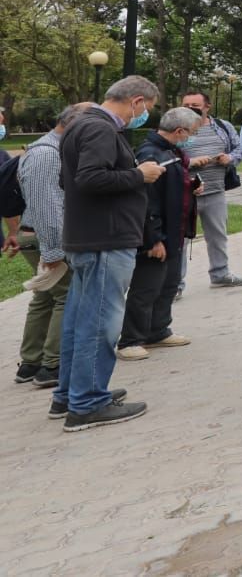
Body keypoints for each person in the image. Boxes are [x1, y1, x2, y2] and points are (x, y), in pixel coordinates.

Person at [50, 76, 164, 430]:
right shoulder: (100, 129)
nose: (144, 115)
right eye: (146, 108)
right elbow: (89, 179)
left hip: (90, 239)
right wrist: (138, 175)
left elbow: (68, 180)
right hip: (105, 241)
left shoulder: (80, 125)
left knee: (80, 322)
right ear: (136, 101)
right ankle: (87, 404)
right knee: (100, 324)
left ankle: (71, 394)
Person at [6, 103, 93, 388]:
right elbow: (47, 207)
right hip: (45, 236)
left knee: (45, 297)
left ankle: (31, 362)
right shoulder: (47, 154)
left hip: (39, 235)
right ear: (73, 126)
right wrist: (54, 251)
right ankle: (52, 365)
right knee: (64, 296)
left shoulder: (51, 150)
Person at [117, 108, 204, 359]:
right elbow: (147, 200)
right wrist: (152, 238)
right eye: (192, 133)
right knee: (146, 288)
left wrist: (192, 185)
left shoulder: (171, 152)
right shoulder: (151, 154)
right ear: (179, 131)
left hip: (175, 232)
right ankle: (130, 339)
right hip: (157, 235)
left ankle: (158, 330)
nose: (193, 137)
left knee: (168, 284)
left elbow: (173, 186)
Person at [178, 90, 242, 291]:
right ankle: (175, 285)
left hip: (216, 190)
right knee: (180, 241)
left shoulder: (222, 127)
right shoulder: (176, 129)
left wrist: (230, 159)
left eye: (195, 105)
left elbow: (238, 149)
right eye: (186, 104)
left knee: (218, 236)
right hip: (185, 193)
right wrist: (189, 162)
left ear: (207, 107)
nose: (189, 108)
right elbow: (165, 155)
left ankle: (220, 274)